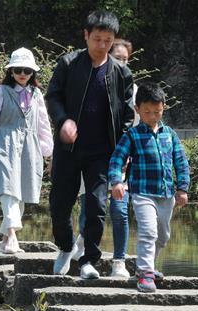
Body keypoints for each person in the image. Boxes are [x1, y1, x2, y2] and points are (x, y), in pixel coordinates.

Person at [46, 10, 134, 279]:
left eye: (108, 40)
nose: (102, 45)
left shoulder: (121, 73)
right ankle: (64, 246)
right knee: (60, 205)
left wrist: (124, 150)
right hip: (69, 149)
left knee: (96, 207)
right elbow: (53, 97)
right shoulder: (69, 64)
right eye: (97, 39)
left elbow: (129, 116)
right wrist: (63, 121)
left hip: (102, 152)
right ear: (86, 36)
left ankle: (88, 261)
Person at [108, 83, 189, 293]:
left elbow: (180, 161)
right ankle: (144, 273)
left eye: (157, 112)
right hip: (142, 193)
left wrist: (183, 188)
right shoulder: (132, 135)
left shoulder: (169, 134)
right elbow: (117, 159)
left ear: (164, 108)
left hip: (166, 194)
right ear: (137, 110)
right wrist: (116, 181)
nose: (153, 116)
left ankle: (149, 267)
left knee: (163, 235)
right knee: (148, 231)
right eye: (147, 112)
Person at [0, 48, 53, 254]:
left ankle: (7, 237)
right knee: (8, 189)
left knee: (22, 191)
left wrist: (48, 152)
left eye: (27, 70)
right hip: (4, 144)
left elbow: (43, 124)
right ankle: (13, 236)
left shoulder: (36, 94)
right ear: (11, 71)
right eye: (18, 70)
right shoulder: (1, 92)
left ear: (33, 72)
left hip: (29, 147)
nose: (22, 74)